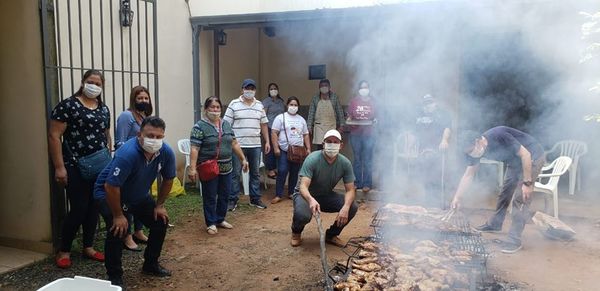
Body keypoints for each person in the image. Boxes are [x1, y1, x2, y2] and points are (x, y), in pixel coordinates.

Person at [94, 116, 176, 288]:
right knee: (118, 230)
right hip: (108, 193)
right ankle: (114, 276)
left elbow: (168, 179)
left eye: (158, 137)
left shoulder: (166, 152)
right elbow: (111, 186)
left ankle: (150, 264)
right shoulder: (127, 154)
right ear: (140, 134)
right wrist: (118, 215)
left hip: (137, 195)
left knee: (159, 222)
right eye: (150, 135)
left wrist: (159, 205)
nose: (154, 140)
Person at [48, 69, 110, 269]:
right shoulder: (68, 106)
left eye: (98, 84)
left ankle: (88, 247)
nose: (94, 86)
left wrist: (108, 158)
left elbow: (106, 134)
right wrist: (59, 167)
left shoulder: (103, 108)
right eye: (91, 81)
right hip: (74, 165)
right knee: (79, 207)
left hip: (100, 165)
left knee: (94, 206)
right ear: (83, 82)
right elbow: (54, 136)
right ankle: (64, 249)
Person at [451, 126, 545, 253]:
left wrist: (527, 183)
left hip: (532, 156)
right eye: (468, 153)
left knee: (520, 198)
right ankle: (495, 223)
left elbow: (526, 154)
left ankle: (514, 240)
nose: (472, 154)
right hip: (515, 161)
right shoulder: (477, 150)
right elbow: (468, 175)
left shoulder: (499, 135)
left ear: (478, 141)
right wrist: (457, 197)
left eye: (471, 150)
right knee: (505, 191)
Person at [188, 96, 249, 235]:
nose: (215, 110)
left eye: (218, 107)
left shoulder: (226, 124)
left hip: (227, 167)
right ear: (206, 109)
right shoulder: (199, 127)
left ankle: (220, 219)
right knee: (210, 195)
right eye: (212, 107)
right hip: (208, 168)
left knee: (224, 194)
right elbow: (194, 148)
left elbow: (234, 143)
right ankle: (210, 222)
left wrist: (243, 159)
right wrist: (192, 168)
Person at [290, 129, 358, 248]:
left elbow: (351, 189)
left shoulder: (345, 163)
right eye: (329, 141)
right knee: (303, 215)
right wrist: (311, 200)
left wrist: (345, 207)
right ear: (323, 144)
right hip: (305, 196)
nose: (332, 144)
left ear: (341, 145)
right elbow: (303, 186)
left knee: (352, 206)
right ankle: (296, 232)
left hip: (325, 195)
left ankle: (331, 235)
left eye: (335, 142)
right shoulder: (313, 159)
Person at [115, 85, 153, 251]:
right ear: (133, 100)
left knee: (141, 197)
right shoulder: (126, 116)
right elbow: (120, 142)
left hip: (144, 165)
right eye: (140, 98)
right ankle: (127, 235)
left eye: (146, 98)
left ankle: (138, 230)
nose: (143, 101)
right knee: (128, 200)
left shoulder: (144, 116)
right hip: (130, 164)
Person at [224, 79, 270, 211]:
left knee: (255, 173)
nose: (249, 91)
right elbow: (226, 125)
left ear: (255, 90)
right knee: (235, 173)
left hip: (255, 145)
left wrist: (266, 141)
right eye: (247, 88)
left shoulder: (259, 105)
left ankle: (255, 199)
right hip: (238, 146)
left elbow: (264, 124)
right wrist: (231, 142)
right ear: (242, 89)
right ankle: (232, 200)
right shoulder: (234, 104)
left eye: (252, 88)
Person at [271, 96, 311, 204]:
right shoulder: (281, 118)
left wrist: (308, 148)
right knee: (283, 171)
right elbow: (274, 133)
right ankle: (278, 194)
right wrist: (275, 148)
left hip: (298, 151)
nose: (293, 107)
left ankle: (291, 193)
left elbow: (306, 134)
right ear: (287, 105)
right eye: (291, 104)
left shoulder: (301, 119)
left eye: (295, 105)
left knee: (294, 172)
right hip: (284, 150)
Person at [414, 94, 452, 205]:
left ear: (435, 103)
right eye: (425, 104)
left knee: (438, 175)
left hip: (438, 149)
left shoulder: (443, 114)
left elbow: (447, 128)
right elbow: (414, 130)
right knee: (425, 175)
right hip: (423, 150)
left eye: (430, 103)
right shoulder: (419, 115)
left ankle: (440, 201)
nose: (428, 106)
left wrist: (444, 140)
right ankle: (428, 201)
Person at [347, 80, 377, 194]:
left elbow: (378, 117)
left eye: (366, 87)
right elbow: (349, 116)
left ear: (369, 89)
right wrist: (349, 120)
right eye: (362, 87)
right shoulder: (354, 102)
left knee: (368, 159)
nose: (364, 89)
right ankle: (357, 182)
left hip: (369, 134)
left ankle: (367, 184)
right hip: (356, 134)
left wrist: (376, 121)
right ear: (359, 89)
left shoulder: (374, 102)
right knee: (357, 159)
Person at [307, 79, 345, 151]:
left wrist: (342, 125)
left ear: (329, 87)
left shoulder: (334, 97)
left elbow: (340, 112)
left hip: (331, 126)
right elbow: (311, 113)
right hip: (319, 127)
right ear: (319, 87)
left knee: (331, 147)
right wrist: (309, 126)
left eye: (326, 85)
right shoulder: (315, 98)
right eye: (322, 86)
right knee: (320, 148)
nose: (324, 87)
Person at [262, 83, 286, 179]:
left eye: (275, 88)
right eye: (271, 89)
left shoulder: (281, 101)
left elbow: (284, 113)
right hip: (269, 127)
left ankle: (277, 168)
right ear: (268, 91)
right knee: (270, 149)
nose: (273, 90)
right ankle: (270, 170)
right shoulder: (266, 101)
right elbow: (263, 115)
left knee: (279, 148)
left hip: (280, 128)